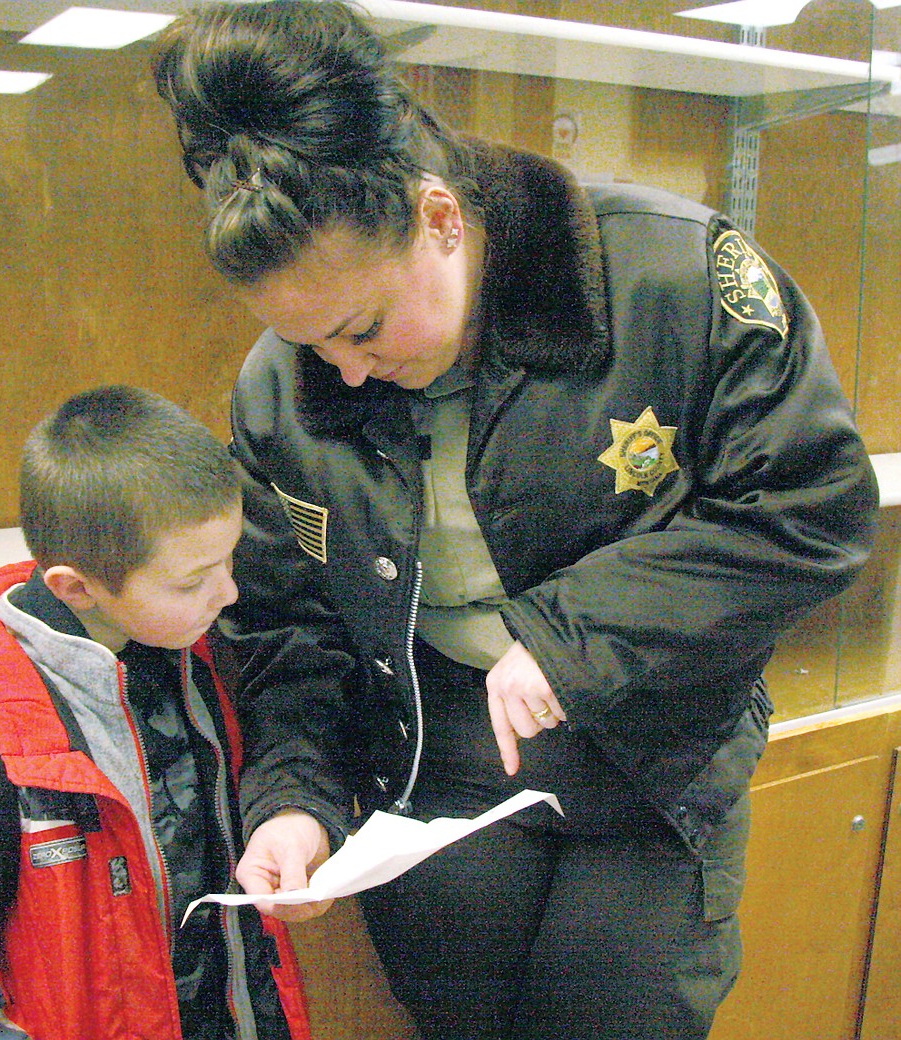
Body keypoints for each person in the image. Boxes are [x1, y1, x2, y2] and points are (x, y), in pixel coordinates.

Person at [152, 3, 880, 1039]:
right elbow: (284, 630)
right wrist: (293, 796)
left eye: (362, 327)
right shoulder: (282, 388)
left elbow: (812, 509)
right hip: (435, 753)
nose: (346, 371)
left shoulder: (671, 279)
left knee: (617, 1016)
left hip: (651, 744)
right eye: (312, 343)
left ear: (442, 218)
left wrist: (571, 637)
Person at [0, 385, 309, 1040]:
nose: (231, 591)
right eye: (193, 580)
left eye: (230, 559)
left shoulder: (203, 662)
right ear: (77, 588)